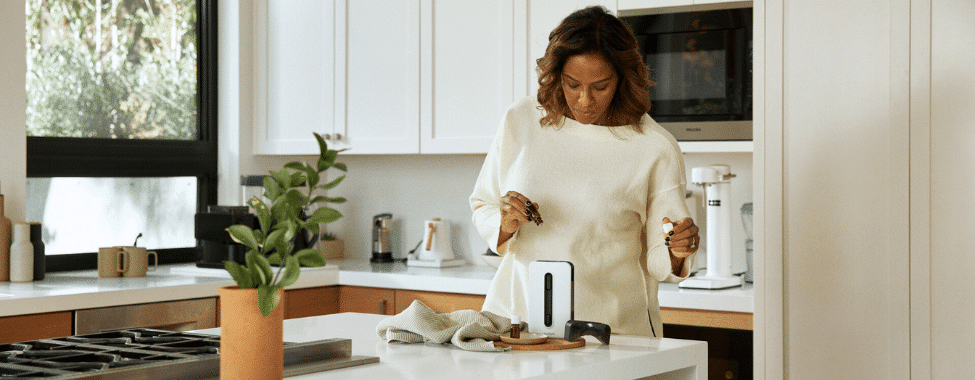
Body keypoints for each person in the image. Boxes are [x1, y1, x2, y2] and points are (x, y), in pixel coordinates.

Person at [469, 6, 700, 337]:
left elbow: (662, 258)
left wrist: (679, 249)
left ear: (622, 78)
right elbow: (483, 204)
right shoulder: (522, 120)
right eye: (572, 83)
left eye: (601, 86)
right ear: (557, 74)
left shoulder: (653, 146)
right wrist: (504, 223)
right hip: (518, 328)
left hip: (612, 334)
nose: (585, 99)